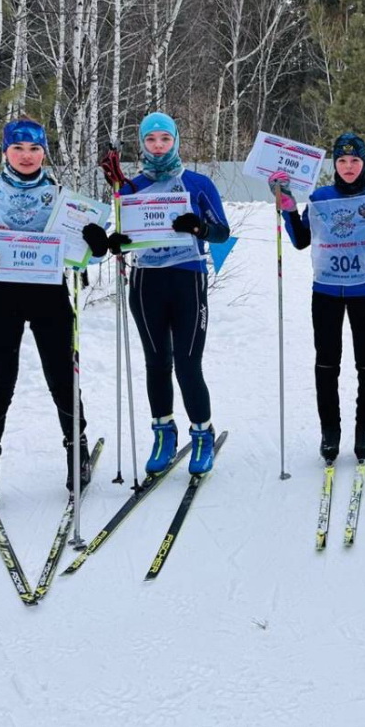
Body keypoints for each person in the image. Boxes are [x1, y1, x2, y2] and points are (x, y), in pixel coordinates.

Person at [0, 118, 109, 503]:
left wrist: (96, 244)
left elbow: (79, 258)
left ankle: (77, 451)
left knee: (62, 378)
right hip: (1, 296)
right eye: (18, 148)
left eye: (35, 149)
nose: (27, 156)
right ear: (5, 150)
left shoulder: (60, 196)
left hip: (49, 295)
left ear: (44, 152)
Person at [106, 112, 231, 477]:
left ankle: (202, 434)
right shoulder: (130, 187)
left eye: (164, 139)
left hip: (187, 278)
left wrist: (199, 226)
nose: (158, 146)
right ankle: (163, 433)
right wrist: (116, 242)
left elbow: (221, 232)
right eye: (150, 140)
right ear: (142, 143)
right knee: (157, 362)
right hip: (147, 282)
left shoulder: (197, 183)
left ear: (175, 140)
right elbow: (124, 236)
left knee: (188, 364)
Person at [270, 133, 365, 464]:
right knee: (327, 364)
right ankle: (330, 431)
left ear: (364, 164)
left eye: (355, 161)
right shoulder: (320, 197)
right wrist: (287, 206)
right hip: (326, 291)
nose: (348, 167)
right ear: (334, 163)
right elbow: (301, 240)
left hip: (364, 291)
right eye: (342, 161)